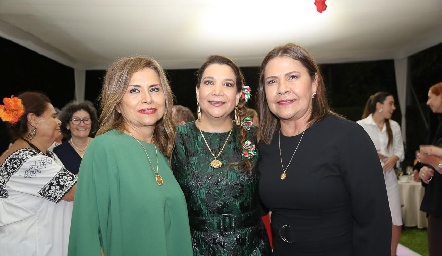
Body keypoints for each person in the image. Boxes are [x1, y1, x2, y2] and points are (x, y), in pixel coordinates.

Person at [256, 43, 391, 255]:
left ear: (315, 83)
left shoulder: (348, 137)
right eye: (272, 81)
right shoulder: (265, 144)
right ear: (265, 92)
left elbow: (375, 221)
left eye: (292, 77)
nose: (282, 88)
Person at [68, 56, 193, 256]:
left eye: (154, 89)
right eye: (134, 90)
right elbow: (87, 232)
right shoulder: (104, 148)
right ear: (117, 103)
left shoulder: (164, 149)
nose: (148, 98)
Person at [171, 55, 271, 255]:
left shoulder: (255, 138)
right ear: (198, 92)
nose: (217, 92)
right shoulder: (176, 140)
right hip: (194, 248)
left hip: (251, 249)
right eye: (209, 82)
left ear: (237, 95)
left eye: (227, 84)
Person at [0, 92, 77, 256]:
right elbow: (76, 191)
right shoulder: (28, 161)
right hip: (31, 248)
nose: (59, 122)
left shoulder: (33, 154)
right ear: (33, 120)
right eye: (53, 116)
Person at [357, 91, 404, 256]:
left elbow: (400, 150)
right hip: (368, 181)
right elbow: (353, 154)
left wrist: (394, 157)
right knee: (369, 218)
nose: (394, 107)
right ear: (379, 105)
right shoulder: (360, 125)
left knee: (395, 219)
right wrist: (370, 153)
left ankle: (392, 253)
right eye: (391, 103)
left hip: (389, 179)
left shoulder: (394, 126)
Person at [413, 81, 442, 255]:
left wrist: (433, 158)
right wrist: (426, 173)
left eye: (431, 97)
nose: (427, 102)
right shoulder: (437, 125)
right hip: (436, 204)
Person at [53, 100, 98, 174]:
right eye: (76, 120)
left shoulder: (102, 147)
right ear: (67, 125)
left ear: (91, 124)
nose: (82, 124)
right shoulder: (58, 152)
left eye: (86, 120)